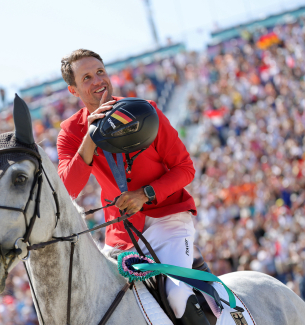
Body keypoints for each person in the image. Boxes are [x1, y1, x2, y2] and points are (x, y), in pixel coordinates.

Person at [57, 49, 209, 324]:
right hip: (122, 232)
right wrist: (90, 137)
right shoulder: (70, 131)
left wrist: (145, 194)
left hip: (169, 218)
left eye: (100, 72)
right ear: (73, 89)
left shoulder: (144, 110)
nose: (98, 81)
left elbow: (186, 168)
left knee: (176, 295)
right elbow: (68, 189)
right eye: (87, 77)